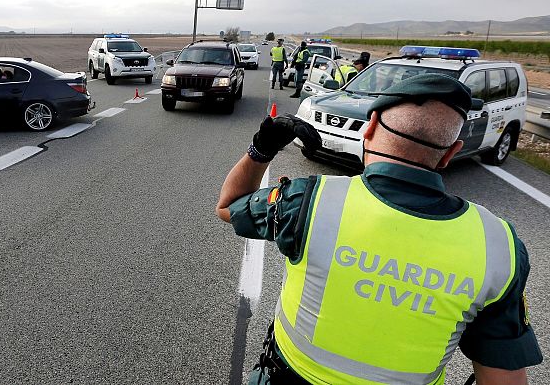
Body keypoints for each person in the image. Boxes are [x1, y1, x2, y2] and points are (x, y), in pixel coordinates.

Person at [216, 74, 542, 384]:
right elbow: (504, 376)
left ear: (368, 128)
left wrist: (263, 147)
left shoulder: (309, 200)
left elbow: (229, 205)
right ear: (450, 154)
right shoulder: (500, 247)